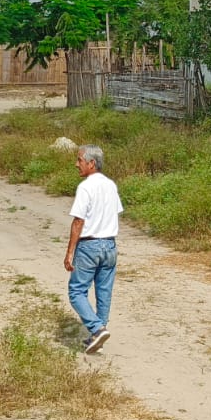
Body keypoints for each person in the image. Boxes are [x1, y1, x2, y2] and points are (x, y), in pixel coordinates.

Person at [64, 144, 123, 353]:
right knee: (104, 292)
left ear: (91, 163)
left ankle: (97, 329)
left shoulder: (86, 187)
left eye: (79, 160)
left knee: (76, 291)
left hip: (89, 245)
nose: (76, 164)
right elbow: (116, 211)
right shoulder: (110, 185)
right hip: (110, 245)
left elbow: (78, 221)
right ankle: (99, 335)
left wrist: (70, 252)